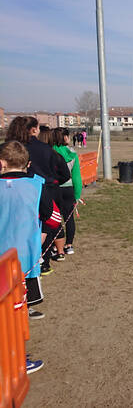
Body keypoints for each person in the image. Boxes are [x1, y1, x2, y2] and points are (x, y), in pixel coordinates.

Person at [0, 140, 52, 373]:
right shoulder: (37, 185)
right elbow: (48, 213)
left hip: (6, 258)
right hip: (23, 260)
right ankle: (16, 359)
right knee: (16, 311)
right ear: (28, 164)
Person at [6, 118, 68, 274]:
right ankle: (42, 261)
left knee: (13, 225)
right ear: (33, 129)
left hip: (12, 191)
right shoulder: (45, 149)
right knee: (44, 225)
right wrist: (52, 181)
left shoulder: (6, 148)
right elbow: (64, 173)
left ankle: (20, 260)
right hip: (43, 190)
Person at [49, 128, 82, 258]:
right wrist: (77, 195)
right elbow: (76, 177)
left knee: (53, 218)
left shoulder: (50, 152)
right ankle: (69, 245)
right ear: (66, 138)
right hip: (68, 189)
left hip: (53, 188)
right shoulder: (72, 153)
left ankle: (55, 245)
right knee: (69, 218)